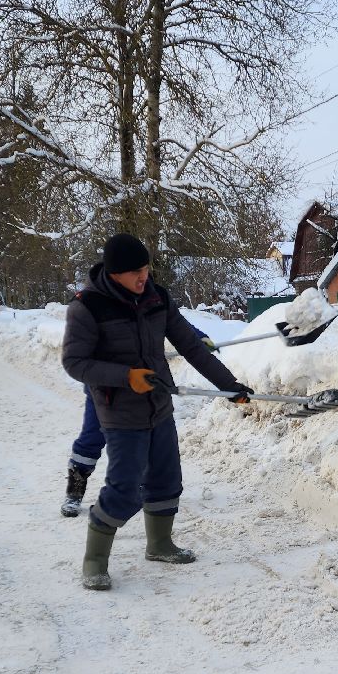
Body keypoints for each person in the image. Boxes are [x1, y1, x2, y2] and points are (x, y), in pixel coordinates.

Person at [61, 233, 252, 590]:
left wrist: (229, 386)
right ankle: (95, 561)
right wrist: (125, 377)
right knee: (124, 488)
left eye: (146, 270)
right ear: (114, 273)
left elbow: (192, 348)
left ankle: (160, 544)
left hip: (159, 405)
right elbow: (74, 362)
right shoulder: (88, 307)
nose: (143, 278)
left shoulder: (156, 298)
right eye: (135, 273)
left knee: (166, 478)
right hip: (120, 412)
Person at [61, 324, 217, 518]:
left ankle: (144, 486)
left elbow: (172, 320)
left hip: (142, 387)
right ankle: (75, 489)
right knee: (93, 436)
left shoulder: (147, 298)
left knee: (146, 437)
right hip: (105, 389)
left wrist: (198, 338)